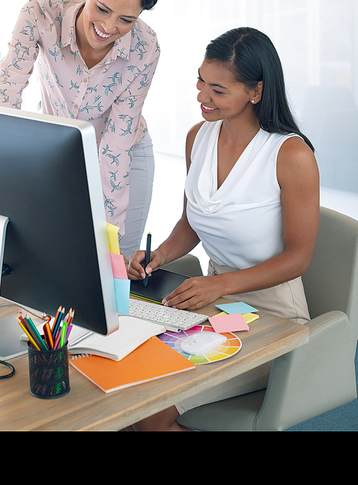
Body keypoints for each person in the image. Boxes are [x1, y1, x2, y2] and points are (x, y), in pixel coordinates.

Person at [127, 26, 320, 431]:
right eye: (200, 81)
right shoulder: (198, 137)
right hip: (213, 309)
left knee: (151, 414)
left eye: (218, 90)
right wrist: (159, 255)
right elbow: (192, 222)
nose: (202, 96)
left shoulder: (291, 154)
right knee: (125, 390)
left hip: (274, 319)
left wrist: (221, 284)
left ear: (255, 91)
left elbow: (298, 258)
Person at [0, 0, 159, 258]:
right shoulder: (40, 13)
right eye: (103, 9)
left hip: (125, 154)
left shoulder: (144, 47)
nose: (108, 27)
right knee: (57, 255)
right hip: (62, 151)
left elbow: (116, 145)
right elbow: (5, 97)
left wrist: (110, 246)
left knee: (115, 261)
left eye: (126, 19)